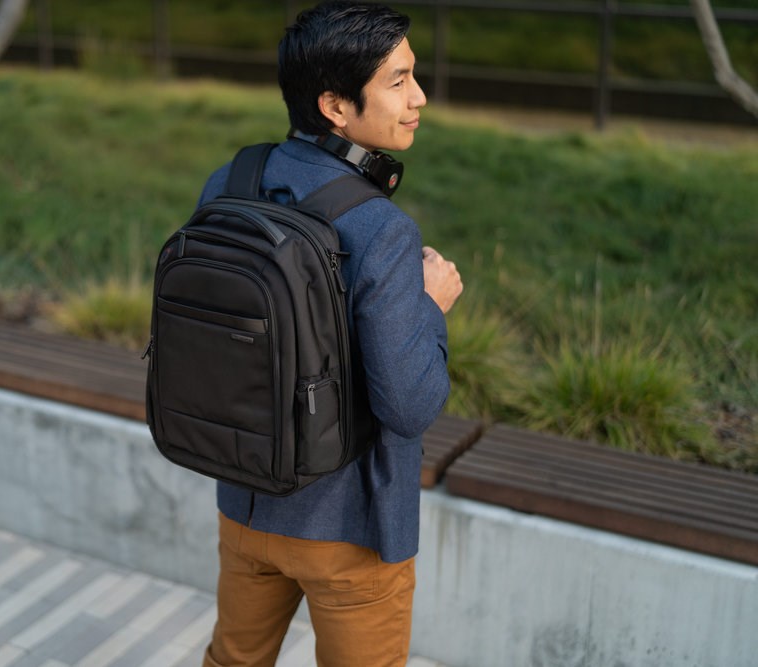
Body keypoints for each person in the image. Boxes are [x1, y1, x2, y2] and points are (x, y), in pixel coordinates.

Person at [197, 2, 463, 665]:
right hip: (351, 530)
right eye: (398, 81)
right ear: (335, 106)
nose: (419, 97)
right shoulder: (381, 229)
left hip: (247, 503)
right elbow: (408, 404)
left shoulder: (231, 183)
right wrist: (431, 305)